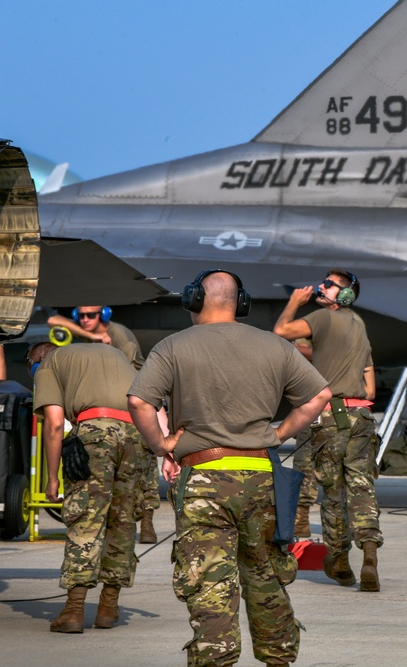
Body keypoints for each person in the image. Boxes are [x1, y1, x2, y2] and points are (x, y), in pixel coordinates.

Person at [127, 269, 330, 667]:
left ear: (193, 300)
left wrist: (162, 446)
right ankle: (278, 659)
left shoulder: (172, 347)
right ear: (241, 303)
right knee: (266, 574)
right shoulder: (274, 346)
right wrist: (279, 432)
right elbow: (320, 394)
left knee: (210, 582)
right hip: (261, 476)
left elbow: (139, 403)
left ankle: (215, 661)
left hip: (204, 478)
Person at [273, 269, 382, 591]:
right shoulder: (360, 325)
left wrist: (294, 302)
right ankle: (370, 553)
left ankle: (340, 559)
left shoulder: (321, 318)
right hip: (360, 417)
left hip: (330, 417)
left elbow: (280, 331)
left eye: (330, 285)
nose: (322, 287)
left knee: (334, 494)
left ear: (344, 294)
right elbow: (371, 389)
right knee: (362, 487)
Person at [27, 340, 145, 634]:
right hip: (135, 434)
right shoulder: (113, 352)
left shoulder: (50, 363)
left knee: (86, 522)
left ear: (37, 359)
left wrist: (52, 477)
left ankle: (73, 611)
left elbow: (54, 423)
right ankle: (108, 607)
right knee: (122, 521)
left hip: (95, 431)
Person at [48, 306, 159, 544]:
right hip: (106, 407)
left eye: (92, 315)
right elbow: (52, 318)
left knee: (145, 464)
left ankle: (147, 517)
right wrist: (90, 336)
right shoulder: (86, 333)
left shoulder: (121, 337)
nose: (85, 319)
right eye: (81, 315)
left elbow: (126, 380)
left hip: (136, 400)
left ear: (104, 315)